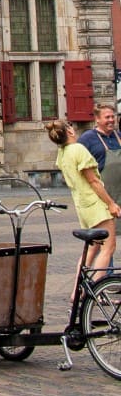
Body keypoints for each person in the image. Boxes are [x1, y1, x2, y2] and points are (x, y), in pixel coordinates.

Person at [46, 118, 121, 280]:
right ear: (70, 131)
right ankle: (94, 288)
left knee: (91, 248)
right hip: (95, 205)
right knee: (108, 247)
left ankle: (77, 291)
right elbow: (93, 181)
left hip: (82, 205)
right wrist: (111, 203)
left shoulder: (63, 152)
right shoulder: (78, 149)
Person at [78, 103, 121, 207]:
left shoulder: (118, 135)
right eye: (107, 117)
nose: (111, 120)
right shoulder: (87, 139)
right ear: (97, 119)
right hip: (102, 199)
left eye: (112, 116)